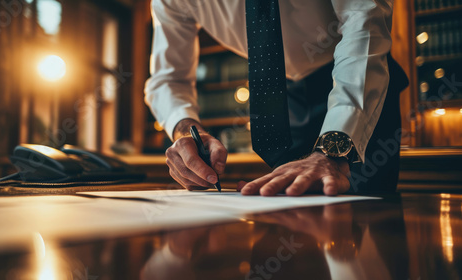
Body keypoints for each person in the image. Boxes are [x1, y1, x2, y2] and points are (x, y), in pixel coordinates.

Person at [144, 0, 408, 196]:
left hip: (359, 84)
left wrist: (332, 151)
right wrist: (186, 131)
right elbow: (169, 79)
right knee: (293, 218)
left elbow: (364, 26)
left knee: (368, 223)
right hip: (281, 99)